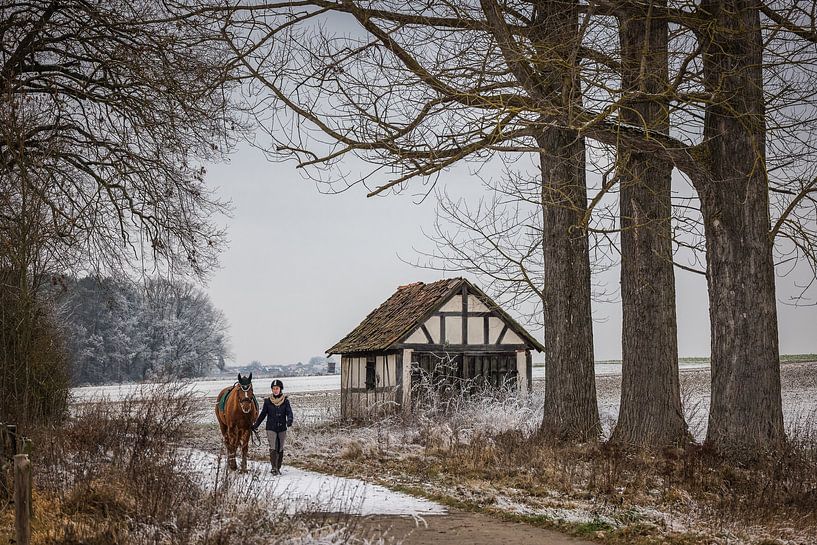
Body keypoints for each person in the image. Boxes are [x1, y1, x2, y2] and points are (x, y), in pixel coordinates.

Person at [252, 379, 293, 475]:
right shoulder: (267, 402)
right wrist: (255, 425)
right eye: (274, 389)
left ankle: (278, 467)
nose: (275, 390)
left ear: (280, 389)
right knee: (273, 447)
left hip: (282, 428)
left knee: (280, 448)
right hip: (271, 427)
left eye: (277, 388)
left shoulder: (285, 401)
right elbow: (262, 415)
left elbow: (289, 412)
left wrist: (289, 420)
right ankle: (273, 467)